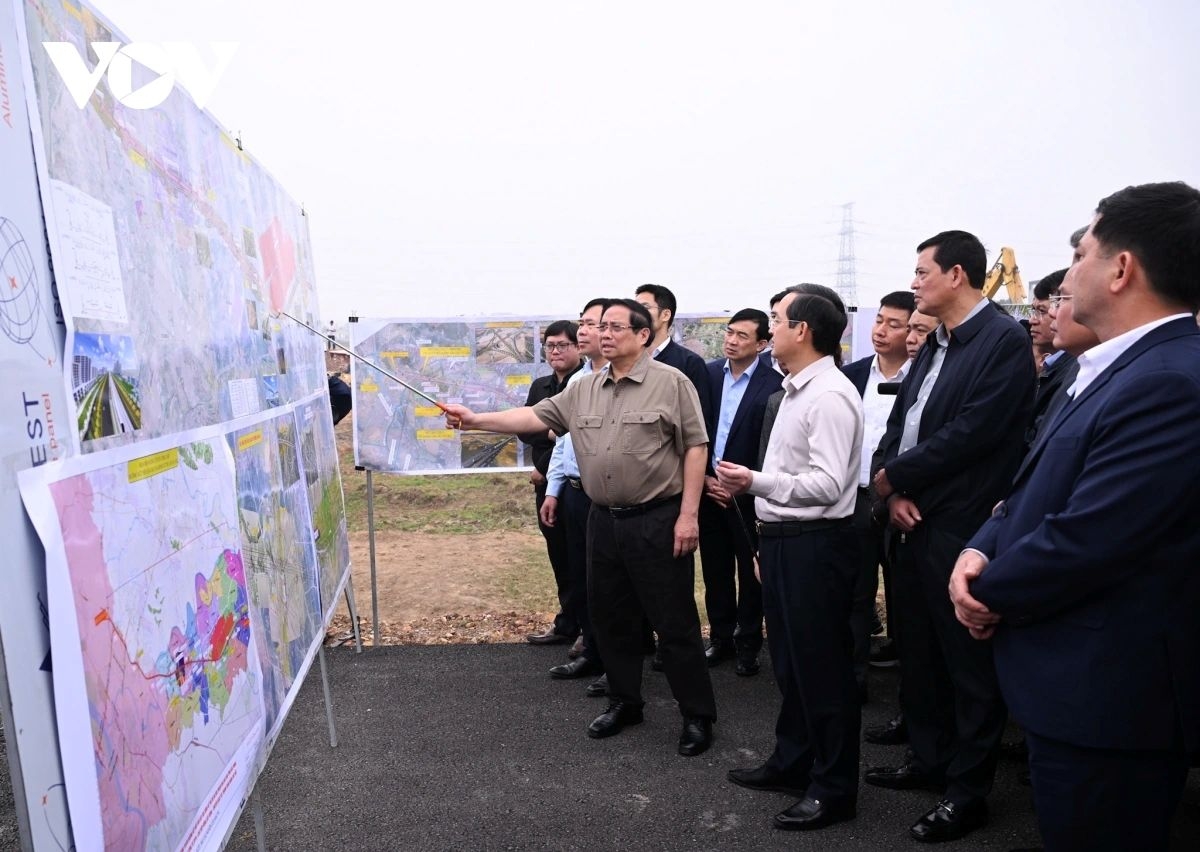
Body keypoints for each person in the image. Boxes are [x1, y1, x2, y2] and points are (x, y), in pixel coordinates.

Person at [950, 181, 1200, 852]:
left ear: (1122, 270)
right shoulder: (1104, 367)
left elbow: (1090, 536)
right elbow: (1034, 486)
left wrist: (982, 590)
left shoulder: (1172, 380)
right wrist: (982, 544)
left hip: (1113, 698)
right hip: (1075, 685)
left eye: (1083, 251)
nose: (1070, 270)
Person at [442, 299, 717, 756]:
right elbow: (533, 416)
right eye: (598, 326)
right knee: (611, 618)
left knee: (674, 623)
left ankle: (697, 716)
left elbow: (695, 448)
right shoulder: (584, 388)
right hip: (602, 520)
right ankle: (625, 702)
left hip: (657, 519)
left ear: (643, 335)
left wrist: (689, 515)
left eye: (613, 327)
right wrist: (475, 420)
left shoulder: (673, 384)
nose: (603, 334)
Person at [868, 230, 1035, 843]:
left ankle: (968, 792)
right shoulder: (935, 342)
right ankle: (929, 760)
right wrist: (894, 488)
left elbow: (976, 432)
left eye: (921, 272)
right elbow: (902, 422)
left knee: (967, 665)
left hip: (961, 525)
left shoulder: (1001, 341)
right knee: (920, 651)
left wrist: (894, 478)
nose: (913, 283)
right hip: (911, 516)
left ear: (957, 274)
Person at [719, 285, 863, 832]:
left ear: (802, 330)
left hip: (815, 546)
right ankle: (793, 762)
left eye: (777, 319)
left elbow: (827, 485)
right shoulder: (795, 389)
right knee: (792, 666)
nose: (770, 328)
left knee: (822, 671)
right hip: (785, 544)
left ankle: (833, 789)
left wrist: (754, 481)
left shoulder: (827, 394)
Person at [697, 308, 780, 676]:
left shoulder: (774, 384)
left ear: (762, 344)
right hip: (708, 488)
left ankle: (749, 643)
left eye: (742, 336)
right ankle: (720, 638)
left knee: (750, 573)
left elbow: (770, 447)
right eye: (729, 333)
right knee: (715, 569)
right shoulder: (709, 375)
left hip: (748, 494)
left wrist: (742, 485)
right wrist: (704, 478)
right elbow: (694, 431)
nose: (731, 340)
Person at [841, 291, 914, 702]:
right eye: (879, 320)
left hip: (904, 502)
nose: (881, 331)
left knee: (906, 596)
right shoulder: (850, 376)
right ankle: (854, 678)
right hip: (856, 501)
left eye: (894, 324)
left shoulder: (924, 377)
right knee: (856, 594)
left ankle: (911, 691)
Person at [541, 300, 610, 688]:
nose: (582, 331)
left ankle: (617, 667)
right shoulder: (578, 381)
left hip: (608, 498)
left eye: (592, 324)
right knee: (582, 577)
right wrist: (554, 490)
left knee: (610, 585)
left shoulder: (636, 381)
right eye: (581, 323)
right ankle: (592, 653)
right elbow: (563, 444)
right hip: (573, 493)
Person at [519, 321, 583, 648]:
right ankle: (567, 623)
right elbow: (526, 431)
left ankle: (589, 629)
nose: (555, 351)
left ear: (578, 347)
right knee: (558, 554)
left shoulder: (586, 383)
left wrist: (551, 437)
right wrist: (553, 433)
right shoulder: (540, 386)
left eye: (562, 345)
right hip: (546, 485)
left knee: (582, 558)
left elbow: (579, 437)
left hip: (578, 487)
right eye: (549, 346)